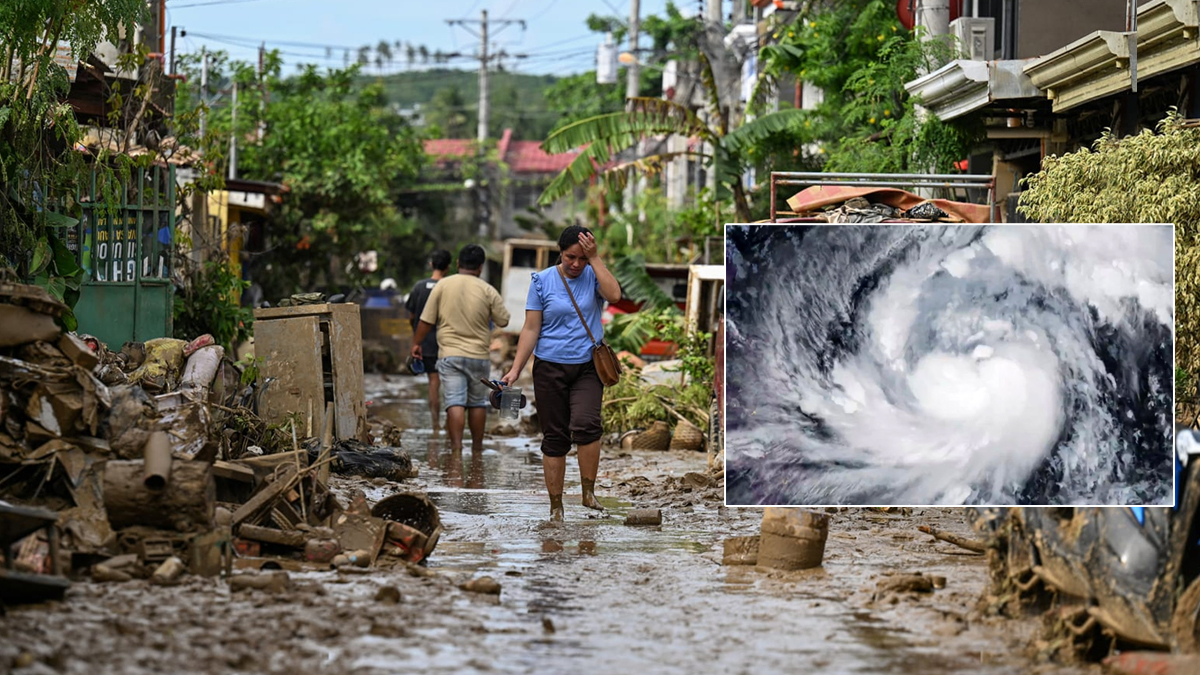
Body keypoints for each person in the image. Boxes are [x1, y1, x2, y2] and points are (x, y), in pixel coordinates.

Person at [500, 225, 622, 522]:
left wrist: (596, 259)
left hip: (587, 367)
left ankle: (588, 492)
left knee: (586, 424)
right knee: (554, 437)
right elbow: (531, 329)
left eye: (582, 258)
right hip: (549, 367)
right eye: (571, 257)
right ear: (561, 252)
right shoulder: (541, 281)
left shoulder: (593, 274)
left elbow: (615, 295)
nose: (576, 264)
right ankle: (556, 506)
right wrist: (515, 370)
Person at [411, 244, 510, 452]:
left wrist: (417, 344)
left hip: (450, 355)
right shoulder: (487, 289)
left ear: (457, 263)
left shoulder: (443, 286)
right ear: (480, 267)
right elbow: (503, 320)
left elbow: (426, 321)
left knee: (454, 401)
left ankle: (456, 449)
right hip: (479, 356)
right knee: (477, 403)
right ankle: (476, 449)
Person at [405, 249, 451, 433]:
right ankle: (451, 422)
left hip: (426, 343)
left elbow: (411, 315)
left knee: (433, 381)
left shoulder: (419, 287)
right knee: (451, 382)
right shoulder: (449, 286)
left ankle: (435, 425)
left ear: (431, 264)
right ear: (448, 267)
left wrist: (417, 336)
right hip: (448, 341)